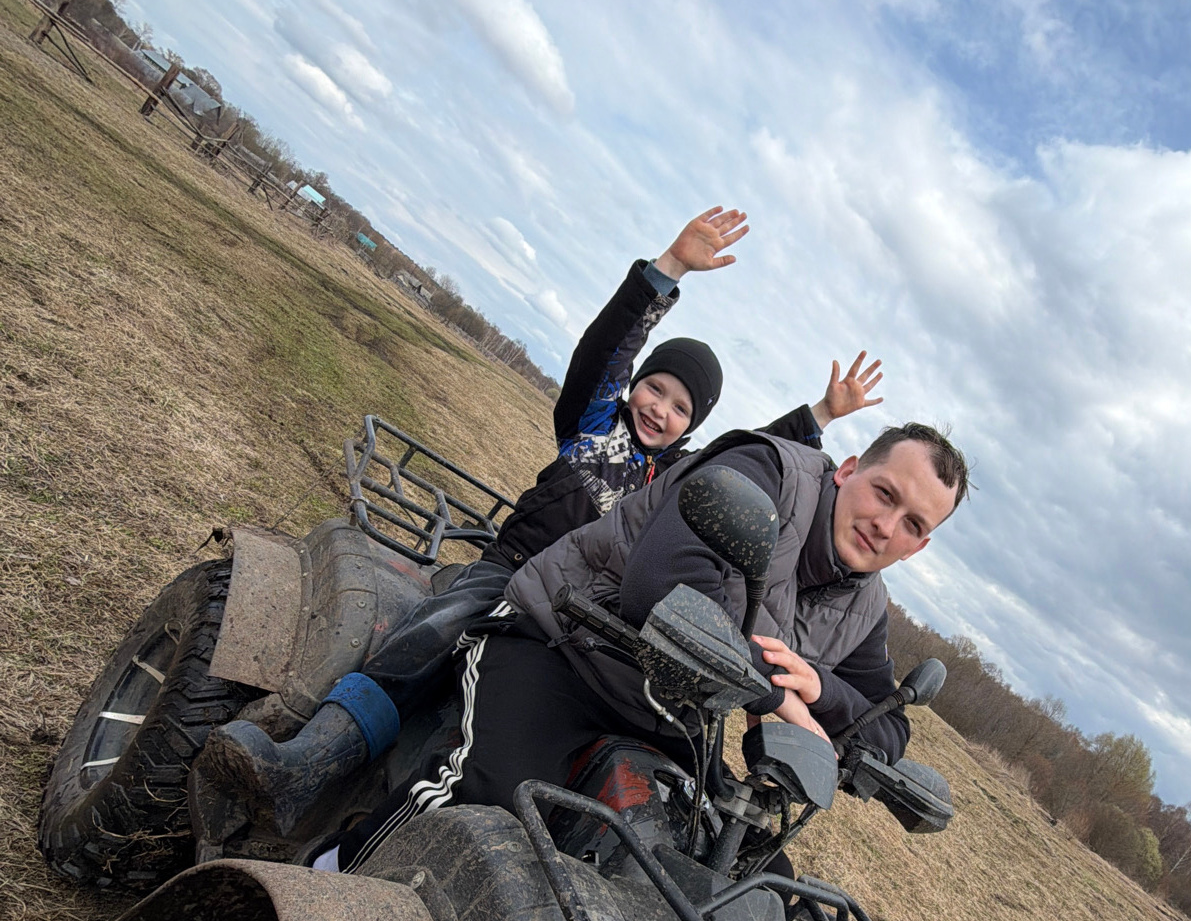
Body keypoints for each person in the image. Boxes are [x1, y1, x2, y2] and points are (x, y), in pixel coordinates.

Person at [191, 207, 885, 842]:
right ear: (634, 387)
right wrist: (668, 269)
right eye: (655, 389)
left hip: (594, 622)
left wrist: (820, 416)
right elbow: (604, 352)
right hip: (513, 576)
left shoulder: (676, 476)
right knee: (435, 632)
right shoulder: (594, 426)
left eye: (681, 409)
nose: (660, 410)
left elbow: (747, 463)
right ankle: (308, 763)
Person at [334, 421, 969, 870]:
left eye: (912, 523)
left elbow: (885, 729)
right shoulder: (762, 471)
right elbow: (663, 588)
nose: (885, 525)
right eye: (885, 494)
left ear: (920, 546)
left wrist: (820, 687)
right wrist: (778, 695)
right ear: (849, 469)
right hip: (566, 642)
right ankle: (335, 872)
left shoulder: (865, 606)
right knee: (486, 800)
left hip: (672, 717)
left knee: (740, 879)